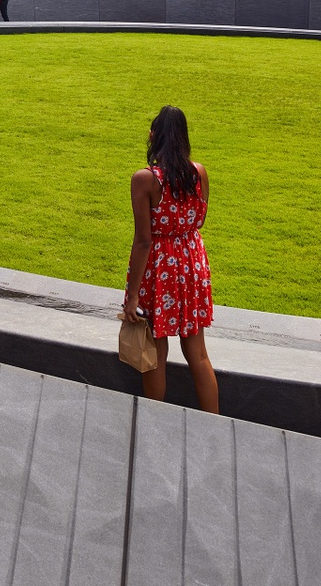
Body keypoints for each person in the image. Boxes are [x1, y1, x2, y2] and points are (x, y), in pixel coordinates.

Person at [123, 105, 219, 412]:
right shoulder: (198, 173)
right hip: (193, 263)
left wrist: (133, 294)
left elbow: (143, 240)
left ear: (153, 136)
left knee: (155, 354)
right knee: (197, 353)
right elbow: (199, 220)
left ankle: (155, 424)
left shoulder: (145, 179)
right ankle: (215, 423)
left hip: (161, 266)